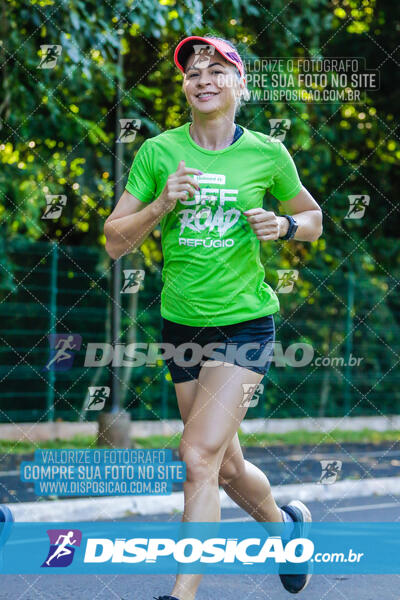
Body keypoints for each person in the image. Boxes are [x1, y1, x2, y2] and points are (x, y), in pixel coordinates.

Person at [104, 34, 323, 600]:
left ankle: (182, 596)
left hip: (246, 325)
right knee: (224, 467)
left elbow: (313, 217)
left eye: (216, 69)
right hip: (182, 328)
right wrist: (161, 204)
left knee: (196, 455)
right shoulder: (158, 153)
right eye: (192, 72)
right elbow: (113, 242)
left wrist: (285, 227)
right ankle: (288, 533)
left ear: (239, 84)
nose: (202, 78)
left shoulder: (268, 154)